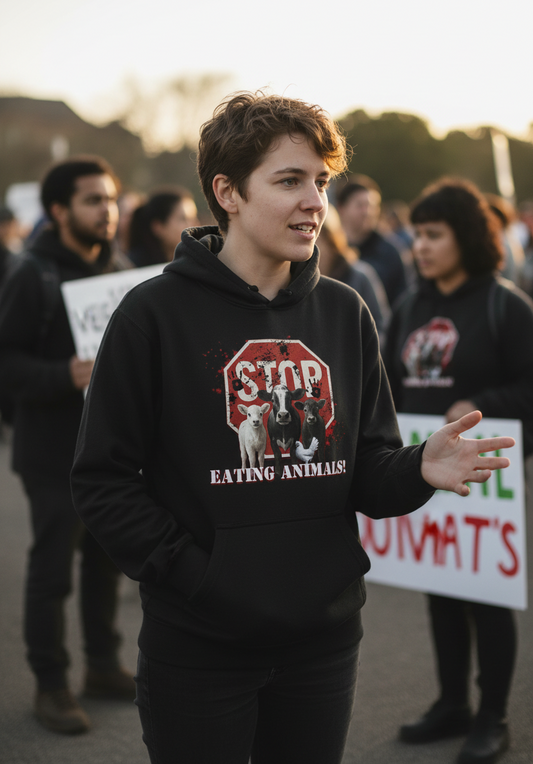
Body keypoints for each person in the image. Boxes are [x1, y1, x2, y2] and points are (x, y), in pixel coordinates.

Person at [71, 93, 513, 764]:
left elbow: (367, 468)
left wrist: (417, 469)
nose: (315, 202)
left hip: (323, 645)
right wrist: (199, 578)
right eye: (289, 181)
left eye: (321, 182)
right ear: (228, 193)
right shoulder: (150, 315)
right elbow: (102, 480)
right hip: (199, 649)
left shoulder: (344, 311)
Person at [383, 178, 533, 764]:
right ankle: (451, 704)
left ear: (466, 238)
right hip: (423, 469)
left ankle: (492, 716)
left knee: (486, 595)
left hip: (486, 477)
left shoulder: (505, 305)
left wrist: (477, 404)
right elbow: (387, 386)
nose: (420, 246)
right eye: (416, 234)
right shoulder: (407, 306)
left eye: (433, 235)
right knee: (441, 589)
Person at [0, 157, 136, 735]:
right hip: (52, 453)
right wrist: (65, 375)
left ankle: (102, 667)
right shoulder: (33, 274)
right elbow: (6, 363)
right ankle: (51, 684)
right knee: (53, 571)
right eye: (91, 201)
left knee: (106, 566)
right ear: (59, 211)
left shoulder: (124, 271)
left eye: (109, 199)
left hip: (111, 454)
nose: (106, 211)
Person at [316, 203, 390, 340]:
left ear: (332, 240)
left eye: (317, 238)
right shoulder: (294, 280)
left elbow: (381, 327)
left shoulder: (360, 276)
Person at [336, 176, 408, 307]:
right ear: (341, 208)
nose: (368, 212)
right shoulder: (330, 250)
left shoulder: (392, 251)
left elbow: (403, 298)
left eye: (373, 206)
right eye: (360, 205)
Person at [127, 187, 199, 266]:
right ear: (158, 227)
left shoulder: (195, 260)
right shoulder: (133, 266)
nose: (195, 224)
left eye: (194, 217)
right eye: (183, 219)